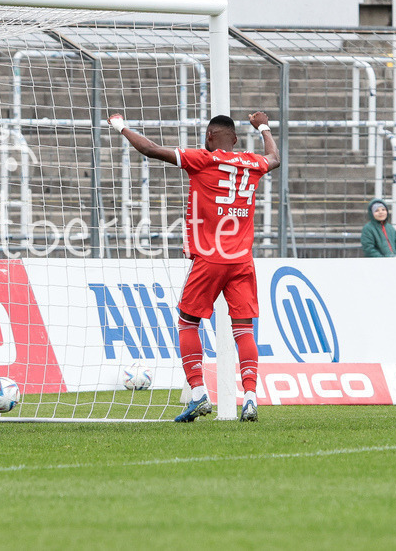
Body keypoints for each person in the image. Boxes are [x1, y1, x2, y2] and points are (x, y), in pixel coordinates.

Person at [109, 111, 280, 422]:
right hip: (242, 260)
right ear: (237, 140)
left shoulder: (203, 159)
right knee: (243, 329)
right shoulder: (253, 163)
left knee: (188, 322)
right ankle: (251, 398)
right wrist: (264, 127)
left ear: (210, 137)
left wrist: (120, 125)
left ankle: (199, 394)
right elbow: (274, 158)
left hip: (209, 257)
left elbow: (149, 148)